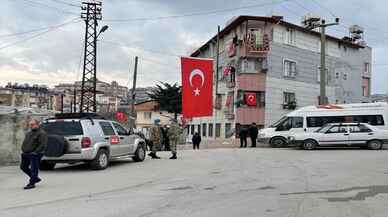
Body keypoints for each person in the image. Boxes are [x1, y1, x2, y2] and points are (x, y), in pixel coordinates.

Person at [20, 119, 47, 190]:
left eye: (32, 124)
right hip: (25, 153)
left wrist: (35, 152)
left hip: (35, 154)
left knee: (34, 169)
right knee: (23, 167)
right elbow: (26, 142)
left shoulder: (41, 133)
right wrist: (23, 150)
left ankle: (31, 183)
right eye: (30, 125)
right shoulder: (29, 133)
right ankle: (35, 178)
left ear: (37, 125)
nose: (30, 126)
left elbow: (43, 144)